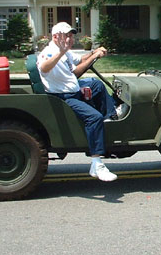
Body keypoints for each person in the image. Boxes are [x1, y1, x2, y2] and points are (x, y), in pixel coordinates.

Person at [37, 22, 120, 182]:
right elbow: (44, 68)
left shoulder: (64, 52)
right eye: (66, 35)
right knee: (93, 117)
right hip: (63, 97)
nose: (70, 38)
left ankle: (110, 118)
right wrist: (61, 52)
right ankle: (96, 163)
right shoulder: (49, 53)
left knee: (96, 84)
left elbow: (79, 59)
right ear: (56, 37)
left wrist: (93, 52)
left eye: (71, 35)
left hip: (72, 89)